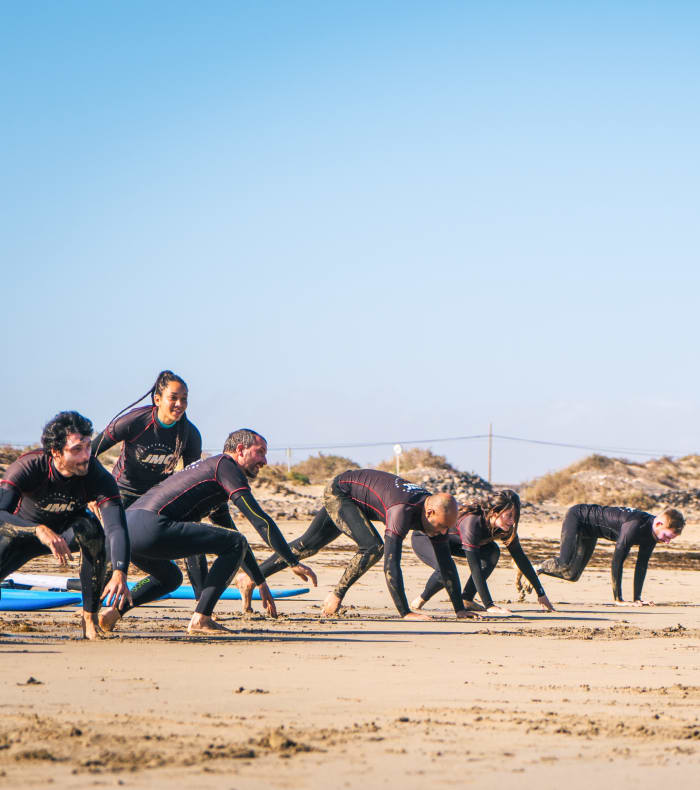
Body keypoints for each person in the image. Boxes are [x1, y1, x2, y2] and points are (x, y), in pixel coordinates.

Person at [99, 429, 316, 634]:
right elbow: (259, 520)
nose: (264, 461)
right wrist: (292, 561)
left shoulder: (213, 475)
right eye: (260, 453)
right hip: (152, 527)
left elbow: (232, 536)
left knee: (170, 578)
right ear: (240, 450)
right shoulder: (227, 466)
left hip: (127, 533)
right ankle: (201, 618)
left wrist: (259, 581)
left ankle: (113, 612)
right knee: (235, 542)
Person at [243, 468, 477, 621]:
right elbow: (391, 564)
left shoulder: (437, 515)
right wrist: (405, 613)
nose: (443, 532)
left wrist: (459, 609)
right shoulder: (402, 511)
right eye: (440, 526)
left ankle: (251, 576)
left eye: (447, 528)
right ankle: (335, 595)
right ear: (429, 511)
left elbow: (446, 563)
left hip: (358, 498)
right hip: (341, 492)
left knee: (307, 545)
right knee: (373, 547)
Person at [0, 411, 131, 639]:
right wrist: (37, 530)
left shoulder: (97, 475)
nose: (85, 456)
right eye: (76, 450)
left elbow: (117, 527)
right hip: (23, 535)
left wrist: (120, 571)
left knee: (92, 530)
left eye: (88, 447)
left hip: (66, 534)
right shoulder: (29, 467)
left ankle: (90, 619)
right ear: (56, 452)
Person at [92, 370, 208, 595]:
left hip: (155, 498)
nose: (179, 404)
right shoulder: (135, 421)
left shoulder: (189, 434)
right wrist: (95, 493)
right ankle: (93, 599)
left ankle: (202, 608)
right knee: (108, 546)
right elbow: (91, 453)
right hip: (122, 493)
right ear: (157, 399)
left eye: (184, 399)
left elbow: (192, 478)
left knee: (193, 532)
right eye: (173, 397)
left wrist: (194, 511)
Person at [410, 489, 554, 616]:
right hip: (425, 538)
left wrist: (541, 593)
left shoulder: (504, 527)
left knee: (492, 551)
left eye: (514, 517)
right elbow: (475, 568)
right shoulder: (472, 523)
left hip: (452, 542)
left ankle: (466, 598)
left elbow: (520, 558)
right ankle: (421, 599)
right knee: (445, 568)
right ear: (495, 512)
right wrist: (489, 605)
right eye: (509, 515)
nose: (512, 521)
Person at [536, 503, 685, 605]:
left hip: (591, 531)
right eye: (667, 536)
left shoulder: (652, 535)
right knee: (564, 562)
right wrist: (618, 599)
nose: (667, 542)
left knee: (572, 575)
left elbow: (641, 565)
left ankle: (534, 570)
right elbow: (617, 561)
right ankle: (534, 568)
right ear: (659, 524)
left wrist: (637, 599)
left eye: (670, 539)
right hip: (578, 517)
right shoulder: (635, 526)